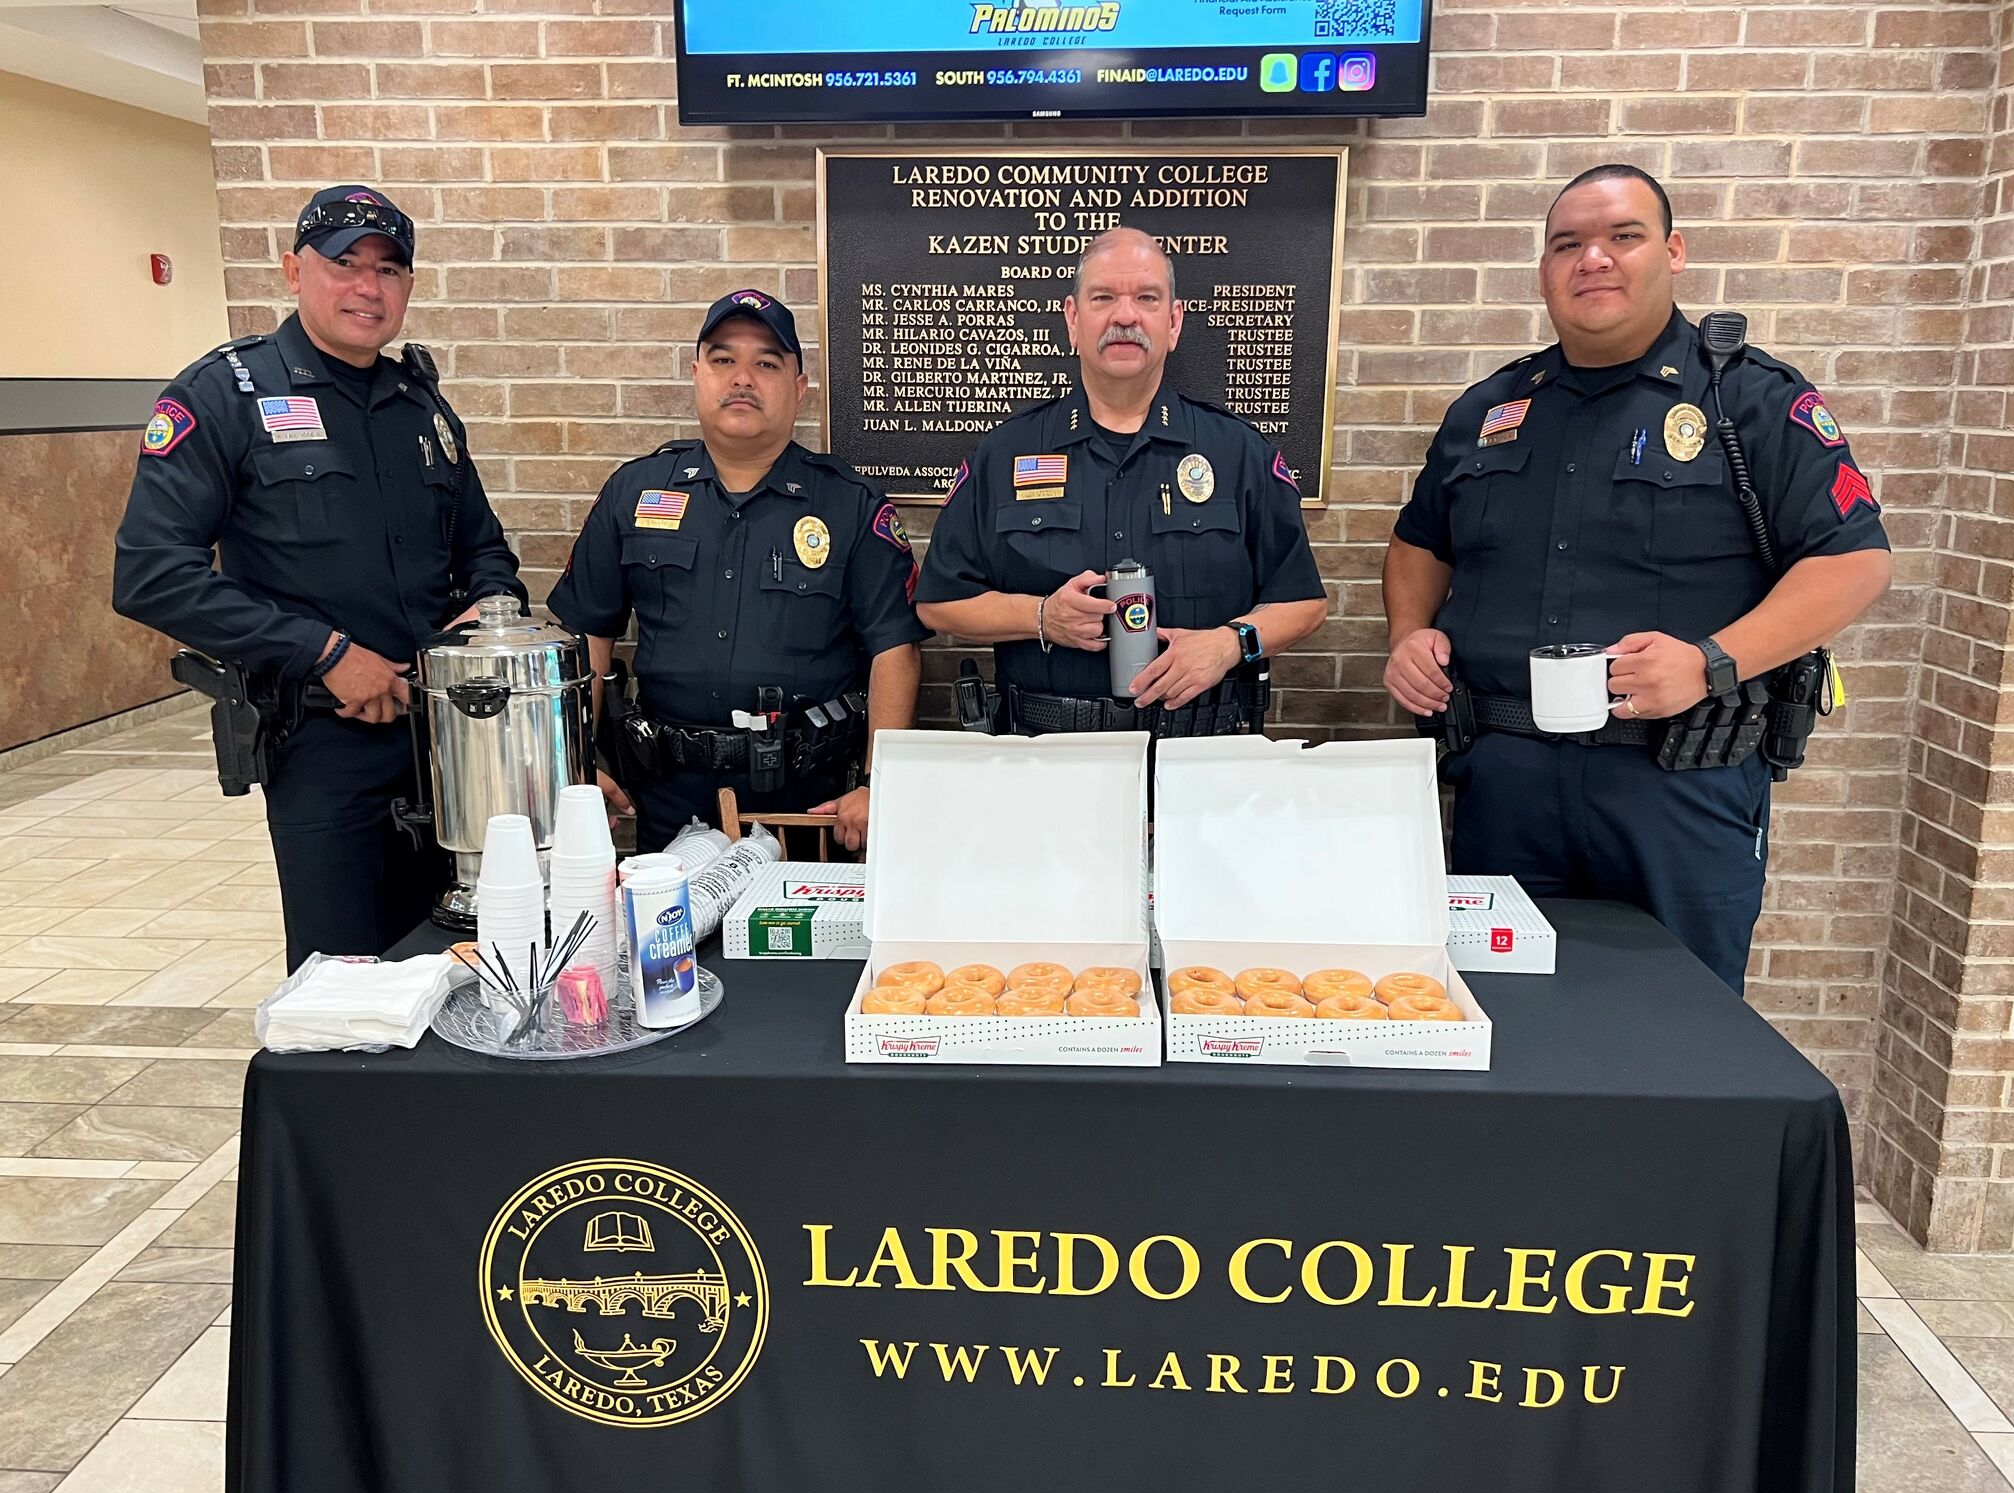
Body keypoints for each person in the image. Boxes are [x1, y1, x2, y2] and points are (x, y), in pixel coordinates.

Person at [1381, 164, 1892, 991]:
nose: (1593, 260)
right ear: (1544, 269)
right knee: (1502, 1026)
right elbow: (1418, 546)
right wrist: (1410, 635)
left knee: (1681, 1035)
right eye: (1567, 244)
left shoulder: (1749, 403)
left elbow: (1855, 560)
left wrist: (1709, 661)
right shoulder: (1492, 410)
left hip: (1677, 787)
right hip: (1503, 786)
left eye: (1623, 237)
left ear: (1673, 250)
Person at [114, 184, 524, 971]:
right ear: (294, 271)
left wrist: (493, 611)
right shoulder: (223, 397)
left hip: (448, 743)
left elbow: (484, 550)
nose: (368, 287)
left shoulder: (421, 408)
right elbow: (150, 575)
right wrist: (324, 652)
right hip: (323, 748)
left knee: (461, 955)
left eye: (389, 270)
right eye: (345, 264)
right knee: (343, 977)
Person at [548, 290, 924, 854]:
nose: (742, 377)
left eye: (767, 363)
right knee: (667, 942)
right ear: (696, 373)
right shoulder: (636, 491)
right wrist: (572, 766)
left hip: (807, 802)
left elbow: (895, 649)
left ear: (799, 387)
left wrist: (878, 782)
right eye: (723, 360)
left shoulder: (850, 503)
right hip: (667, 795)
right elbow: (589, 635)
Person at [915, 226, 1326, 736]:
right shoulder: (1006, 454)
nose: (1125, 316)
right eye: (1104, 297)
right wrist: (1042, 616)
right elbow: (938, 604)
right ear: (1073, 319)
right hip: (1048, 757)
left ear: (1173, 323)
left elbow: (1304, 602)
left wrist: (1230, 643)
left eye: (1147, 298)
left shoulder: (1238, 452)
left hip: (1200, 751)